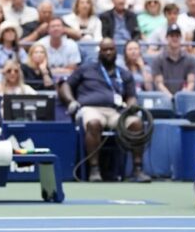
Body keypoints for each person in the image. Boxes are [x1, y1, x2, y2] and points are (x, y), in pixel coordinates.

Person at [60, 38, 151, 183]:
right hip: (91, 109)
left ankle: (138, 169)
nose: (108, 52)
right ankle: (94, 170)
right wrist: (71, 101)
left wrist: (130, 107)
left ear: (116, 51)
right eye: (105, 49)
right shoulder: (86, 69)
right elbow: (65, 85)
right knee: (94, 123)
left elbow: (131, 96)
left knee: (136, 123)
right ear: (99, 52)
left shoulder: (124, 74)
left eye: (111, 49)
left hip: (115, 112)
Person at [151, 24, 195, 97]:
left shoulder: (190, 59)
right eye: (172, 36)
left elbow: (191, 82)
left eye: (177, 36)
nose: (175, 38)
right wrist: (170, 97)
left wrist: (183, 95)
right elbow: (159, 83)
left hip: (184, 98)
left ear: (181, 38)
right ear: (166, 38)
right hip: (164, 98)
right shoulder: (158, 59)